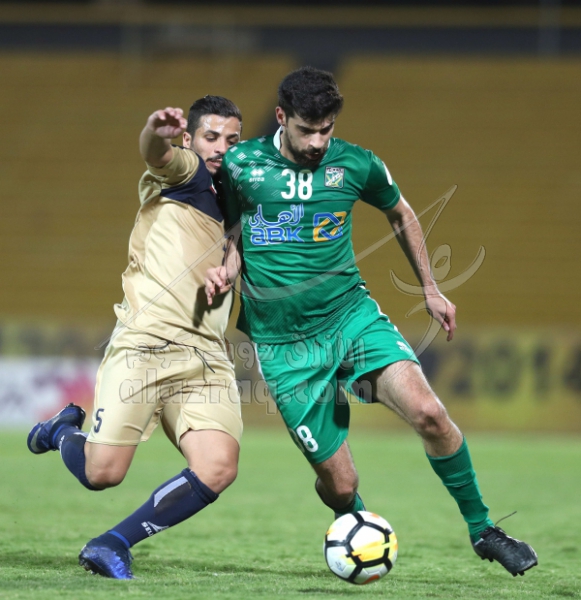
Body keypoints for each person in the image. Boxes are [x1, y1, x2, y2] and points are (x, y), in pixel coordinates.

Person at [205, 67, 538, 577]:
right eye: (306, 130)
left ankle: (483, 529)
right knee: (340, 486)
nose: (317, 142)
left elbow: (401, 212)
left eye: (326, 130)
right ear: (281, 117)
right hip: (284, 345)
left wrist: (430, 288)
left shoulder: (357, 164)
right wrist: (226, 271)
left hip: (351, 319)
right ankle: (357, 521)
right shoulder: (241, 164)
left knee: (430, 414)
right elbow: (233, 233)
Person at [27, 96, 243, 580]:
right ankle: (61, 432)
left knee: (218, 466)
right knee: (102, 473)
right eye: (211, 137)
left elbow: (237, 245)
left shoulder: (237, 197)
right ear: (188, 139)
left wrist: (229, 268)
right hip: (147, 344)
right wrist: (153, 132)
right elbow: (156, 154)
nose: (221, 148)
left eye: (232, 140)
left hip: (207, 357)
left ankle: (113, 542)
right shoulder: (186, 174)